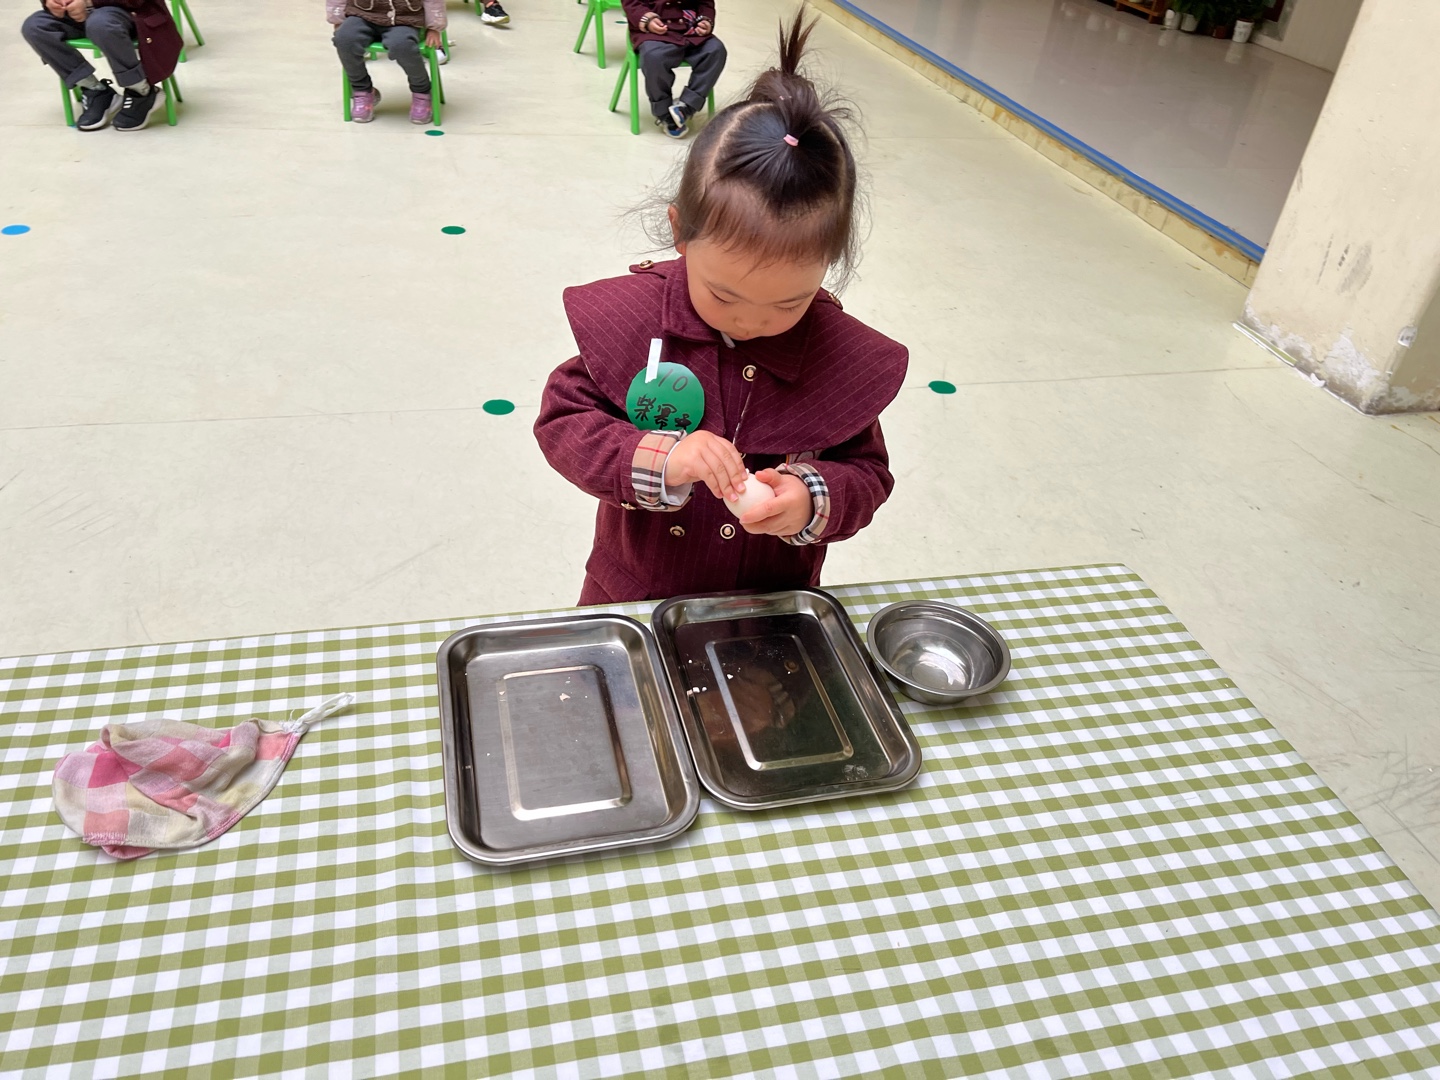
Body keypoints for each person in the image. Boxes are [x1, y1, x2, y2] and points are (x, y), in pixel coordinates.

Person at [535, 13, 907, 605]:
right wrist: (663, 456)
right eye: (725, 295)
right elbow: (565, 421)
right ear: (680, 233)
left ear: (827, 265)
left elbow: (867, 473)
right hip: (635, 595)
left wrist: (812, 497)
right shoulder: (639, 322)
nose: (752, 320)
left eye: (789, 302)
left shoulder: (833, 355)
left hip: (771, 602)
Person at [21, 0, 182, 131]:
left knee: (100, 24)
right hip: (75, 15)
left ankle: (141, 91)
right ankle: (95, 90)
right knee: (34, 27)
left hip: (128, 13)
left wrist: (87, 1)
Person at [328, 0, 446, 125]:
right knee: (344, 39)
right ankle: (362, 90)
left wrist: (434, 28)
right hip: (362, 14)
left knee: (401, 45)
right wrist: (337, 20)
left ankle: (422, 91)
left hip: (404, 19)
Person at [621, 0, 726, 137]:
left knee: (716, 51)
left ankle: (687, 106)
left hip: (691, 30)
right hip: (654, 31)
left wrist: (705, 20)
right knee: (654, 57)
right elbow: (631, 2)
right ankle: (664, 112)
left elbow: (705, 3)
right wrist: (647, 19)